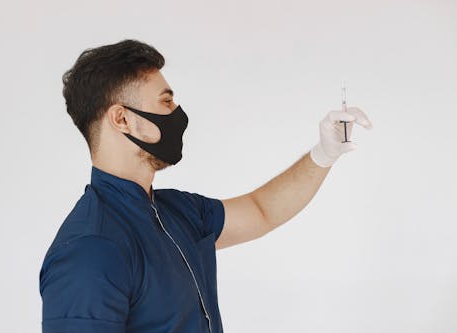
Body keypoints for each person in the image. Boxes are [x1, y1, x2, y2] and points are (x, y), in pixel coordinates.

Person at [38, 39, 373, 333]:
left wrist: (324, 154)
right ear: (122, 119)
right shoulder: (91, 249)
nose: (178, 113)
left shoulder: (175, 211)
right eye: (166, 102)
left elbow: (262, 210)